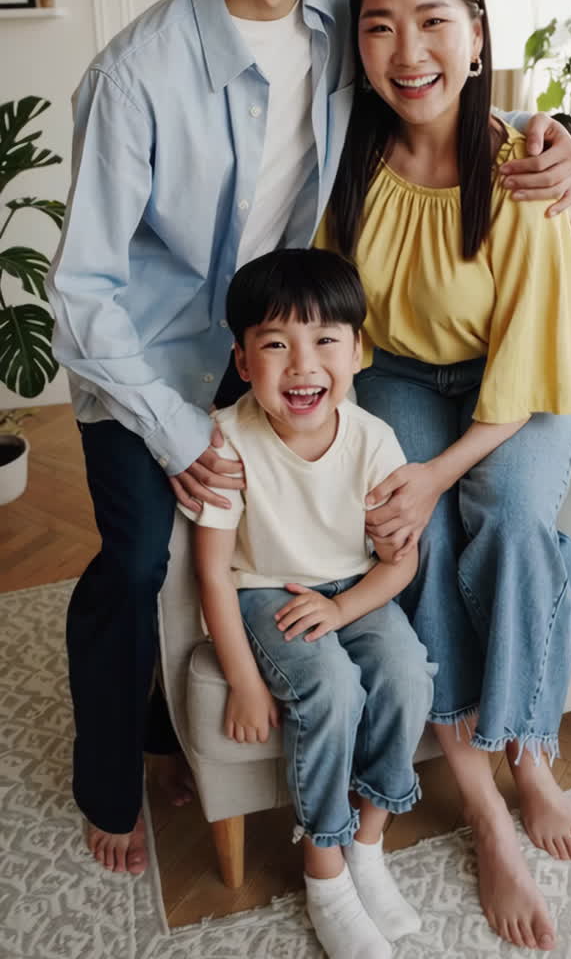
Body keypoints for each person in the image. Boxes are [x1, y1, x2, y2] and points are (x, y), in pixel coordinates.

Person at [47, 0, 571, 876]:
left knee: (337, 531)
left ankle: (425, 753)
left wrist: (560, 138)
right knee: (139, 562)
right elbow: (82, 294)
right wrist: (183, 428)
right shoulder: (134, 75)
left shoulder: (354, 14)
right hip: (153, 369)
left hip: (284, 354)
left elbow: (449, 63)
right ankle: (112, 765)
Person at [316, 0, 571, 952]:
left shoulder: (523, 165)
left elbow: (518, 380)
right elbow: (334, 309)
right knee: (406, 532)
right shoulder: (348, 159)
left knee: (511, 516)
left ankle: (528, 756)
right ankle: (483, 808)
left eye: (433, 20)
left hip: (520, 387)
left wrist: (436, 471)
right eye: (380, 27)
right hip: (404, 374)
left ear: (476, 36)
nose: (407, 50)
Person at [184, 247, 434, 959]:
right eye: (275, 344)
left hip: (354, 590)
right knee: (330, 688)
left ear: (359, 352)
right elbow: (212, 573)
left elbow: (401, 561)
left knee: (407, 672)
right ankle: (324, 872)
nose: (302, 365)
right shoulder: (229, 442)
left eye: (325, 340)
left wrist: (345, 609)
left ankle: (367, 844)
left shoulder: (374, 440)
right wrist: (240, 678)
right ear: (242, 361)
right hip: (266, 590)